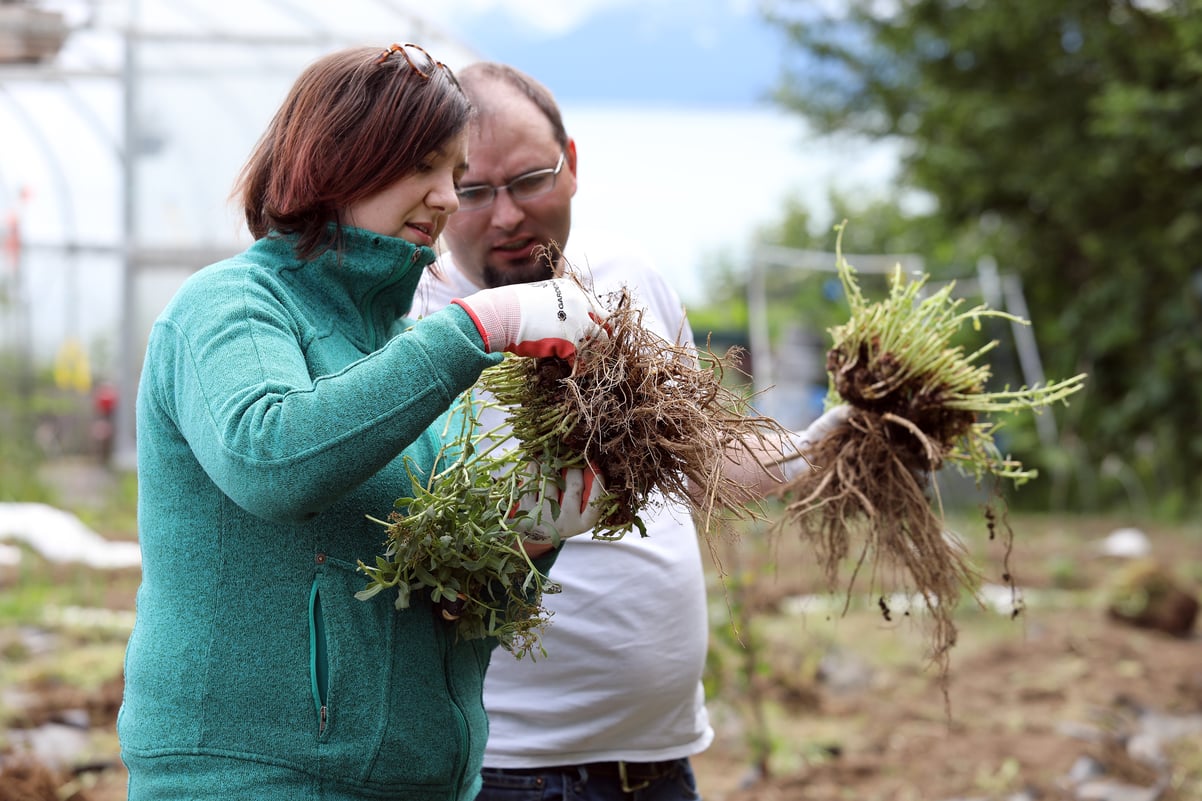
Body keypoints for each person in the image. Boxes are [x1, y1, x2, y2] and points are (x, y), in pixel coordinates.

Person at [118, 43, 613, 801]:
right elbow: (270, 457)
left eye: (453, 173)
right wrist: (477, 327)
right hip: (252, 780)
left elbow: (452, 606)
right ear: (340, 159)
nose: (449, 198)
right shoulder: (232, 308)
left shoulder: (399, 354)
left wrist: (534, 537)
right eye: (426, 166)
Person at [412, 62, 846, 801]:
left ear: (572, 165)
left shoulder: (626, 280)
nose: (508, 215)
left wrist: (818, 445)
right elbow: (416, 560)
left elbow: (704, 461)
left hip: (660, 760)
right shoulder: (416, 327)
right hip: (509, 772)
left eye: (529, 180)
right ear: (443, 193)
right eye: (476, 190)